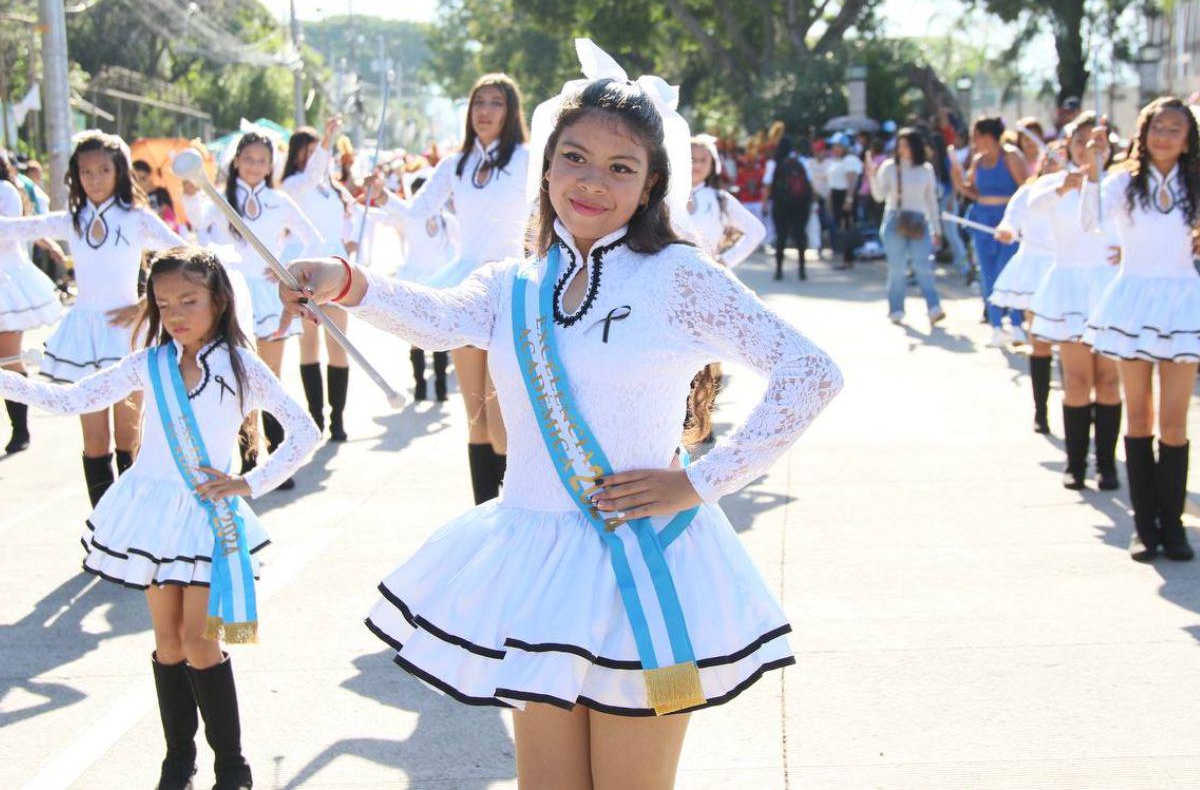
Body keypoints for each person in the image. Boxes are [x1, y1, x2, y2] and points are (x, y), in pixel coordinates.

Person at [281, 42, 843, 789]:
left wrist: (702, 481)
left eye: (620, 169)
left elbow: (812, 371)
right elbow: (436, 316)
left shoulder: (677, 276)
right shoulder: (514, 284)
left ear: (649, 188)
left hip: (648, 568)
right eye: (574, 158)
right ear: (545, 169)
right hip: (539, 566)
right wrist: (343, 279)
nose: (591, 182)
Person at [0, 248, 319, 789]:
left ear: (219, 300)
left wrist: (249, 483)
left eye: (189, 300)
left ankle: (232, 766)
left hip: (207, 517)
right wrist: (8, 379)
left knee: (201, 641)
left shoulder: (241, 364)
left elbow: (304, 430)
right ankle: (178, 760)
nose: (175, 313)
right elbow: (72, 398)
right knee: (168, 642)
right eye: (164, 302)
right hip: (151, 519)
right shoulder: (149, 363)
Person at [0, 131, 182, 504]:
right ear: (75, 176)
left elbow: (183, 254)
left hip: (128, 333)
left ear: (120, 171)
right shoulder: (73, 219)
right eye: (86, 171)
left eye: (103, 170)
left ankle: (133, 523)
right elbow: (16, 228)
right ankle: (103, 528)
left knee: (128, 436)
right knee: (94, 439)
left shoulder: (137, 218)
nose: (94, 178)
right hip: (84, 335)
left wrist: (148, 303)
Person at [386, 74, 530, 505]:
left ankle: (516, 506)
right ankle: (483, 512)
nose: (484, 111)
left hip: (512, 287)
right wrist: (381, 195)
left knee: (505, 412)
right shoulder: (455, 164)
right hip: (467, 287)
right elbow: (417, 212)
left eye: (495, 103)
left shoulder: (527, 158)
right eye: (478, 102)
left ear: (511, 112)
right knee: (476, 414)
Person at [1080, 97, 1200, 562]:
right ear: (1143, 132)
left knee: (1174, 422)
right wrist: (1093, 165)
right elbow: (1090, 224)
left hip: (1183, 302)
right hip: (1133, 301)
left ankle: (1173, 526)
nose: (1164, 136)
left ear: (1188, 138)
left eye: (1175, 128)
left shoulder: (1195, 184)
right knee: (1140, 417)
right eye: (1157, 127)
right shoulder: (1121, 182)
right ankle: (1143, 526)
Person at [203, 130, 323, 486]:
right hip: (230, 295)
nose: (255, 166)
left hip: (271, 297)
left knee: (270, 379)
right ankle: (249, 459)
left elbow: (313, 238)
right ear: (236, 160)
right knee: (239, 381)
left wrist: (286, 264)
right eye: (248, 159)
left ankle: (278, 464)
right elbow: (198, 241)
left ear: (272, 165)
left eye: (262, 161)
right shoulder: (218, 200)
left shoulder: (278, 200)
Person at [1027, 113, 1122, 489]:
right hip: (1069, 287)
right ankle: (1077, 462)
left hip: (1109, 287)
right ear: (1069, 145)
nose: (1088, 149)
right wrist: (1062, 188)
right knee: (1077, 378)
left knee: (1109, 380)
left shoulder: (1118, 185)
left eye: (1095, 142)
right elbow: (1031, 209)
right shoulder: (1054, 185)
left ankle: (1108, 465)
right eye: (1080, 141)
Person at [280, 116, 356, 442]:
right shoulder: (294, 186)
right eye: (311, 152)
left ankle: (337, 417)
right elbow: (313, 172)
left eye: (321, 152)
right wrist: (328, 135)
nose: (319, 159)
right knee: (309, 346)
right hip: (306, 274)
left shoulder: (334, 190)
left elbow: (344, 229)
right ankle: (316, 417)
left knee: (338, 344)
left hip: (336, 270)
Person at [992, 141, 1063, 434]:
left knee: (1073, 343)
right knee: (1040, 341)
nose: (1053, 163)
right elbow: (1011, 218)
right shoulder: (1028, 192)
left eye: (1060, 157)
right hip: (1035, 269)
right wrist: (1007, 229)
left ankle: (1080, 406)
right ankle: (1041, 410)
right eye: (1049, 158)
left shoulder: (1083, 190)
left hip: (1069, 270)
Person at [377, 170, 460, 402]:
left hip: (442, 283)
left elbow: (462, 248)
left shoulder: (447, 220)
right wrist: (379, 195)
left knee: (440, 334)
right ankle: (421, 384)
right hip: (415, 282)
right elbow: (389, 211)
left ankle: (441, 385)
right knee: (416, 334)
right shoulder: (409, 217)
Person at [0, 154, 63, 453]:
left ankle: (20, 428)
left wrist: (50, 245)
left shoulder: (6, 191)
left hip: (7, 282)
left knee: (8, 360)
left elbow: (10, 232)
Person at [951, 116, 1030, 347]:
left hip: (1007, 220)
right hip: (982, 220)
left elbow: (1026, 188)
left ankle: (1016, 324)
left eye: (977, 136)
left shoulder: (1012, 156)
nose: (974, 141)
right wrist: (957, 178)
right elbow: (971, 190)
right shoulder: (978, 160)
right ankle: (996, 326)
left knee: (1009, 272)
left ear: (988, 136)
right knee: (988, 275)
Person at [870, 128, 945, 325]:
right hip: (895, 219)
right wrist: (871, 175)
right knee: (897, 268)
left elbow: (931, 201)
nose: (901, 149)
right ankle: (896, 309)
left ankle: (934, 307)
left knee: (923, 266)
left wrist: (937, 229)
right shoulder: (889, 167)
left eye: (905, 144)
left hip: (919, 221)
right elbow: (879, 196)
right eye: (899, 144)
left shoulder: (925, 169)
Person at [687, 133, 766, 269]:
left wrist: (725, 261)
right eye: (692, 159)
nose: (697, 164)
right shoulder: (666, 197)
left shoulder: (720, 199)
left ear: (713, 164)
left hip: (706, 275)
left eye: (703, 160)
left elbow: (756, 231)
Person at [764, 137, 815, 280]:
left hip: (781, 205)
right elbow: (809, 183)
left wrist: (765, 204)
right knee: (800, 236)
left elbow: (767, 185)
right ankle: (802, 269)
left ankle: (779, 270)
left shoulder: (773, 163)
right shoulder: (802, 162)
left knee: (781, 237)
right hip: (801, 205)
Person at [826, 134, 862, 269]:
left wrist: (849, 199)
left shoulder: (850, 160)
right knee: (841, 228)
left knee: (847, 227)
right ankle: (845, 258)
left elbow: (851, 182)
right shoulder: (835, 161)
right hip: (836, 196)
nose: (834, 149)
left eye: (836, 146)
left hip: (844, 197)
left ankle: (848, 259)